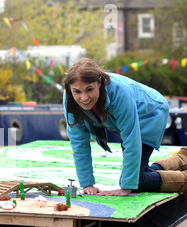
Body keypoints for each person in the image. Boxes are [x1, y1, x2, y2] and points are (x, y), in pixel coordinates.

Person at [63, 58, 187, 196]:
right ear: (70, 89)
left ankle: (184, 179)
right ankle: (182, 159)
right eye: (77, 91)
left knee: (137, 182)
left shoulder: (120, 93)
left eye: (89, 89)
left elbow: (130, 139)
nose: (84, 97)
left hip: (150, 112)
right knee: (140, 173)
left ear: (99, 82)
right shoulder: (69, 100)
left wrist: (126, 188)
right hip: (135, 113)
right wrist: (87, 184)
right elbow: (78, 141)